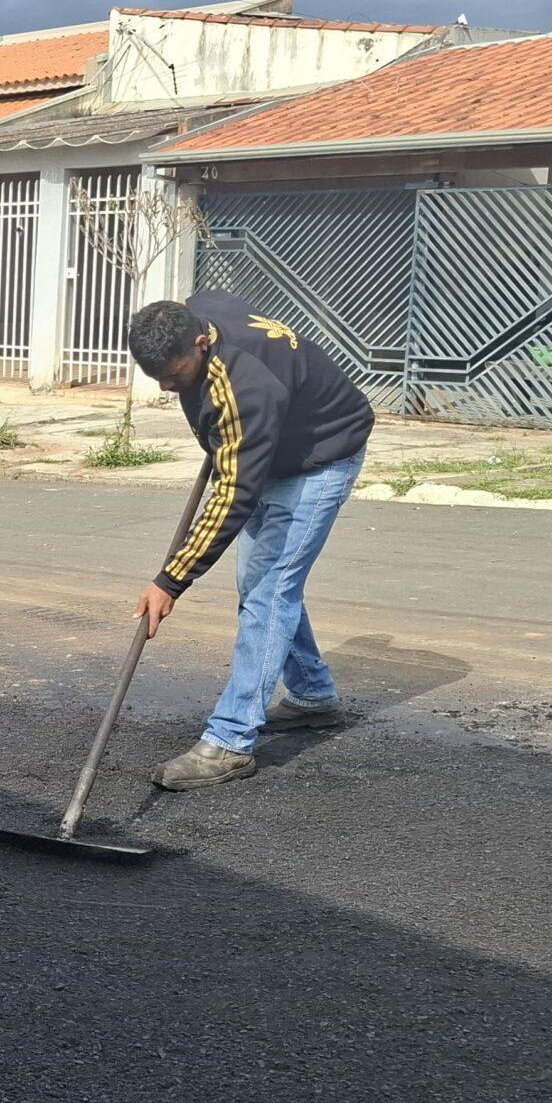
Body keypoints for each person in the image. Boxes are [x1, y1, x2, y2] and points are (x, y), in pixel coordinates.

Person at [125, 291, 376, 791]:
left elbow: (233, 495)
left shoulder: (245, 388)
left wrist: (171, 580)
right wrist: (215, 430)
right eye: (157, 378)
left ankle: (231, 742)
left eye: (175, 376)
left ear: (201, 342)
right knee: (264, 582)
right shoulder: (197, 310)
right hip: (271, 445)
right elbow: (234, 452)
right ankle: (312, 696)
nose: (168, 387)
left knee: (267, 592)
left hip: (321, 456)